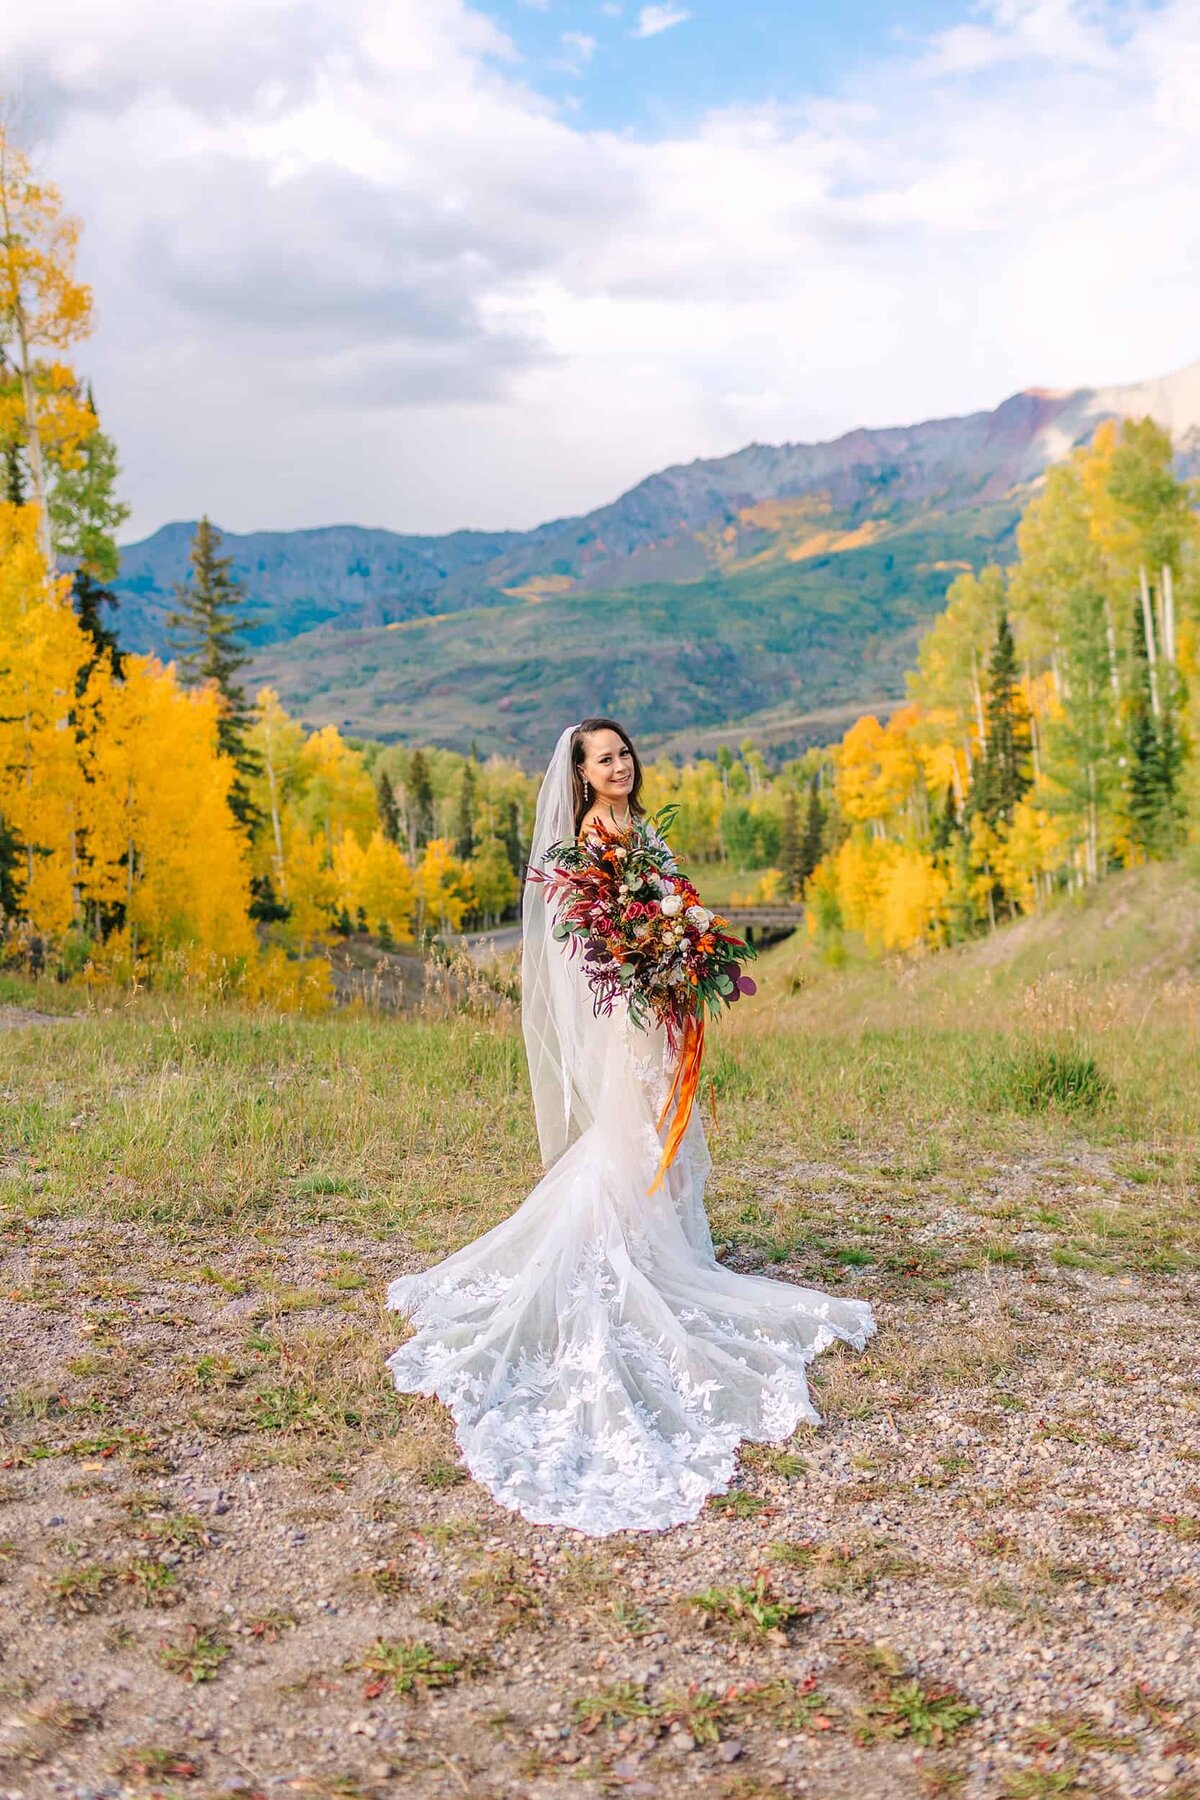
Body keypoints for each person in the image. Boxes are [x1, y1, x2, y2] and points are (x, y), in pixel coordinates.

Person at [385, 717, 875, 1535]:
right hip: (634, 1012)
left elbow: (673, 906)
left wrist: (689, 949)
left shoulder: (639, 828)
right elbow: (594, 943)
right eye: (604, 758)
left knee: (664, 1132)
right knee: (638, 1129)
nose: (620, 765)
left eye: (625, 753)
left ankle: (670, 1243)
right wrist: (650, 964)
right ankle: (632, 1248)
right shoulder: (588, 843)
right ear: (581, 773)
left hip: (665, 1001)